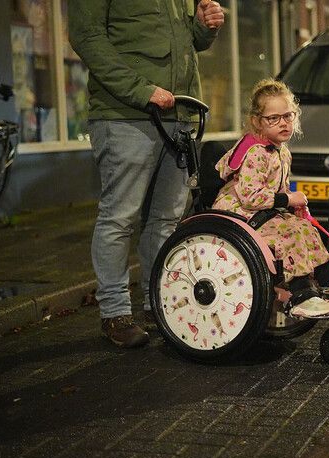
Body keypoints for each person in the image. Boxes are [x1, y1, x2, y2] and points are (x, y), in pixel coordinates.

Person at [68, 0, 225, 348]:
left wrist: (203, 27)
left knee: (166, 220)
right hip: (125, 115)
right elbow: (86, 37)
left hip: (180, 112)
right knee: (119, 217)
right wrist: (141, 90)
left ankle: (158, 302)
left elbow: (189, 43)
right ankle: (115, 313)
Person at [212, 80, 329, 318]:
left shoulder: (283, 152)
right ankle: (301, 296)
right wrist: (288, 199)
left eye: (288, 116)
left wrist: (294, 207)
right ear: (257, 122)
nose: (283, 123)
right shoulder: (255, 153)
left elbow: (279, 189)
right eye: (273, 118)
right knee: (289, 235)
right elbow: (250, 197)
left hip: (263, 211)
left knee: (306, 228)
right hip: (240, 214)